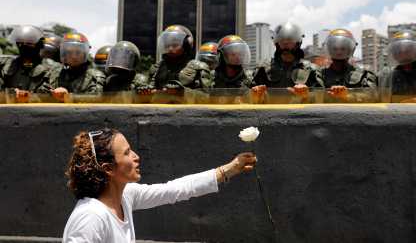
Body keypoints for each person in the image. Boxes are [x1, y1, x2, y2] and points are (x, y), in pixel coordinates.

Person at [62, 128, 257, 242]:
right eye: (127, 153)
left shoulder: (125, 196)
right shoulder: (90, 217)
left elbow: (174, 189)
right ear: (108, 168)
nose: (136, 157)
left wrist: (230, 169)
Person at [251, 22, 321, 103]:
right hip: (271, 114)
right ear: (277, 42)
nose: (285, 43)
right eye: (282, 40)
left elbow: (321, 98)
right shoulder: (263, 68)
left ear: (297, 42)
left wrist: (307, 95)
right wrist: (256, 94)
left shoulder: (311, 69)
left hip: (300, 114)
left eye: (289, 39)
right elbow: (249, 96)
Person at [40, 32, 105, 101]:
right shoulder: (54, 73)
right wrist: (51, 94)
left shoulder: (95, 76)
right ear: (64, 53)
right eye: (69, 52)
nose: (74, 56)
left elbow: (96, 98)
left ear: (84, 54)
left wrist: (68, 97)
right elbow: (40, 95)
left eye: (78, 52)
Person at [319, 29, 377, 102]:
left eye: (343, 49)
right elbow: (312, 96)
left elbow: (372, 97)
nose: (339, 52)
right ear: (329, 49)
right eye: (335, 48)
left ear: (350, 49)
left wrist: (347, 96)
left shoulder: (364, 75)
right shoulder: (320, 75)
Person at [0, 25, 50, 102]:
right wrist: (10, 92)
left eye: (29, 44)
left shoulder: (51, 68)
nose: (24, 46)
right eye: (20, 43)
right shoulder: (6, 64)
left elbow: (50, 95)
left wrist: (27, 96)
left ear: (39, 45)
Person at [148, 25, 195, 91]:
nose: (170, 48)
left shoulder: (198, 68)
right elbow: (150, 90)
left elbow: (208, 95)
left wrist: (183, 91)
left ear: (186, 45)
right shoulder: (157, 68)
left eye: (175, 44)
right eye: (167, 45)